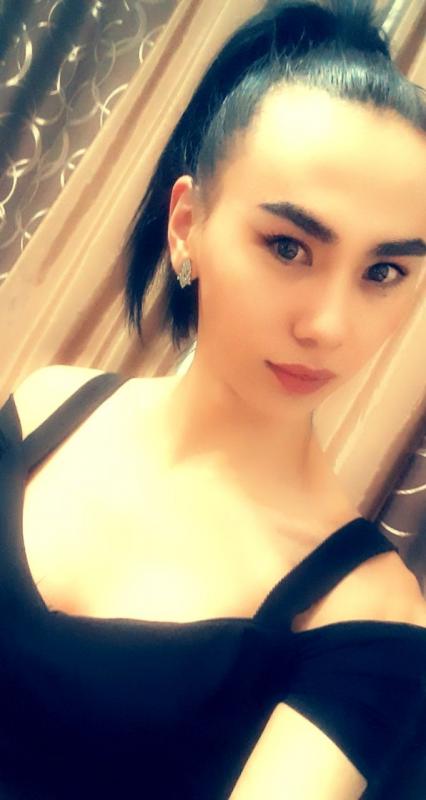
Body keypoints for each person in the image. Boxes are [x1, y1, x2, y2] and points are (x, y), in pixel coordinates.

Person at [1, 1, 425, 798]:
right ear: (187, 225)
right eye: (288, 246)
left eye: (384, 272)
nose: (329, 327)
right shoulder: (45, 412)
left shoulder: (366, 612)